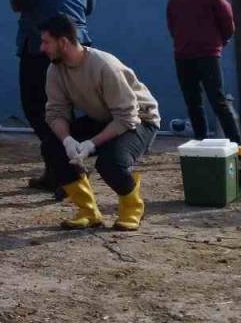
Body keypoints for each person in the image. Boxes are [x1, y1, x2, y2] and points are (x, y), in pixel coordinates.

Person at [39, 15, 160, 232]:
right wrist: (67, 140)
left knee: (111, 162)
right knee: (51, 146)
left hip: (139, 120)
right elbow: (56, 113)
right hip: (104, 118)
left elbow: (126, 117)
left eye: (46, 42)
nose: (42, 47)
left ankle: (132, 207)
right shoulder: (55, 69)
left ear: (63, 42)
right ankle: (88, 211)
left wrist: (91, 144)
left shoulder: (104, 66)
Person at [10, 0, 94, 196]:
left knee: (38, 108)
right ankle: (57, 170)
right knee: (63, 109)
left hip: (41, 47)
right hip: (78, 47)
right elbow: (89, 6)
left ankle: (66, 174)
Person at [167, 0, 241, 143]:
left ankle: (237, 145)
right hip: (183, 57)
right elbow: (173, 28)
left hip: (208, 56)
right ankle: (200, 142)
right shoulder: (174, 3)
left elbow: (228, 26)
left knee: (218, 101)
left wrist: (216, 45)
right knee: (193, 103)